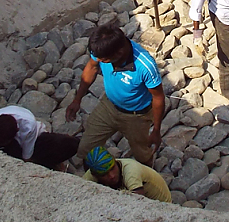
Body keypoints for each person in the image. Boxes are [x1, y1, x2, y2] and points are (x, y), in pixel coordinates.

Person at [66, 24, 165, 166]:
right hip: (108, 106)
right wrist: (77, 100)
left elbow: (158, 97)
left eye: (103, 60)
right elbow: (91, 68)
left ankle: (147, 177)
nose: (99, 61)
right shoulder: (101, 50)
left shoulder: (145, 66)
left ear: (118, 53)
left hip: (137, 116)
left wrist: (156, 130)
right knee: (85, 148)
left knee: (142, 156)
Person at [0, 105, 78, 170]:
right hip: (1, 149)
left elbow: (26, 158)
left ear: (17, 131)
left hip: (33, 139)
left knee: (67, 145)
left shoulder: (29, 124)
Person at [82, 146, 172, 202]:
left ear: (115, 160)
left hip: (160, 203)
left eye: (113, 168)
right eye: (104, 174)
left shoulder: (131, 170)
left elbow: (138, 200)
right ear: (95, 175)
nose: (112, 176)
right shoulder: (91, 174)